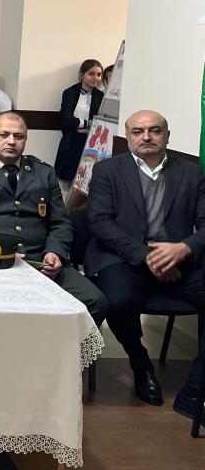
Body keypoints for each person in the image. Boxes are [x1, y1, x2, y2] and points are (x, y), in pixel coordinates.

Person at [86, 110, 205, 417]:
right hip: (123, 257)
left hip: (178, 260)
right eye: (138, 131)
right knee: (116, 301)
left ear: (167, 136)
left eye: (155, 130)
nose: (147, 137)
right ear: (128, 137)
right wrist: (148, 256)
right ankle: (140, 363)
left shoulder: (192, 173)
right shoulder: (106, 170)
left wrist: (184, 248)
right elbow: (99, 221)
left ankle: (195, 391)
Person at [0, 111, 108, 326]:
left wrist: (55, 252)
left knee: (95, 301)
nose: (11, 141)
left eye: (18, 136)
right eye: (4, 135)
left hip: (40, 260)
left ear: (25, 139)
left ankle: (63, 348)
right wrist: (1, 254)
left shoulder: (43, 172)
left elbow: (60, 222)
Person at [54, 59, 104, 188]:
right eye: (91, 74)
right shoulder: (70, 93)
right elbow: (66, 121)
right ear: (82, 75)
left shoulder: (101, 96)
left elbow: (100, 123)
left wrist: (79, 125)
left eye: (99, 74)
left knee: (88, 182)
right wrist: (87, 124)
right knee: (67, 181)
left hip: (91, 143)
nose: (96, 78)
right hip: (71, 141)